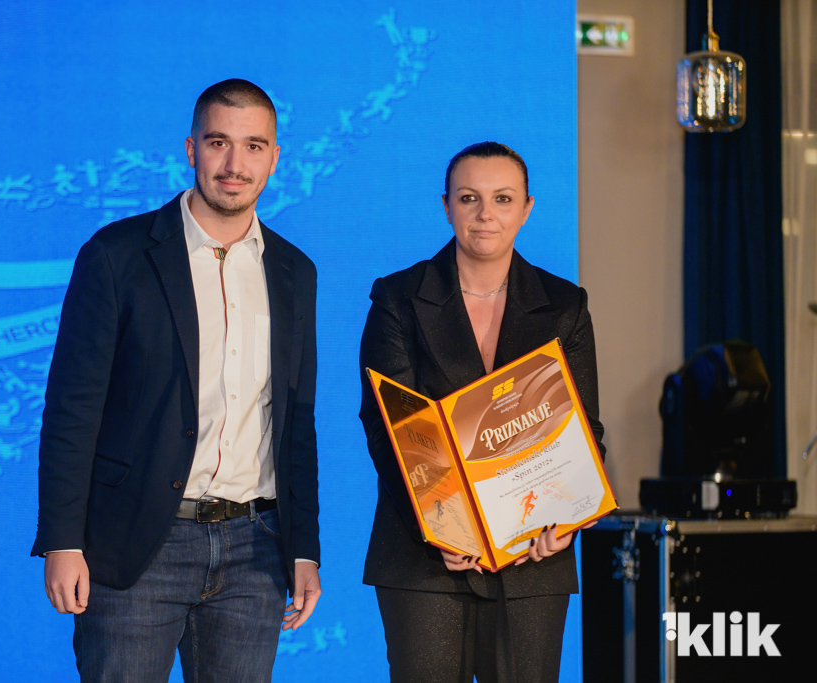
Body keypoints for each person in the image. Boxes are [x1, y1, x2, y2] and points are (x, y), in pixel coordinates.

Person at [31, 78, 321, 683]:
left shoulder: (295, 271)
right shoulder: (117, 254)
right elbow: (72, 408)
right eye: (218, 142)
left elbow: (295, 422)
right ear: (192, 149)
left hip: (256, 549)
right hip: (138, 544)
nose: (235, 164)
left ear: (274, 157)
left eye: (253, 146)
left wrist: (303, 548)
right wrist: (62, 539)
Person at [358, 141, 605, 683]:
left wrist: (566, 517)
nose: (485, 213)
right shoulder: (397, 299)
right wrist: (444, 528)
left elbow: (584, 430)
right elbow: (388, 428)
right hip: (426, 559)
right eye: (469, 198)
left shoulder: (566, 306)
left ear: (527, 208)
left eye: (503, 198)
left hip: (534, 557)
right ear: (446, 205)